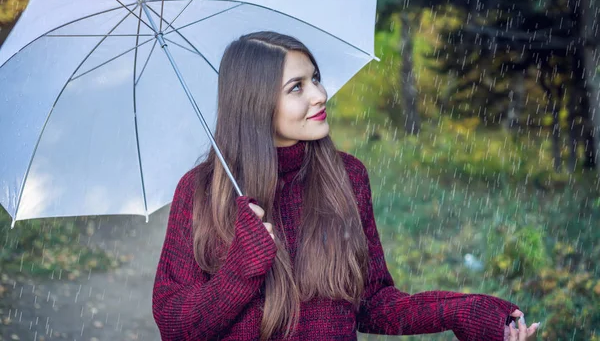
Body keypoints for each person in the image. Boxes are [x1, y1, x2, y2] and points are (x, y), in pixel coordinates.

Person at [152, 31, 540, 341]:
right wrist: (240, 269)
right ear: (255, 103)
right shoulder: (202, 192)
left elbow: (373, 303)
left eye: (315, 79)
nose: (320, 95)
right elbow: (176, 328)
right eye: (297, 87)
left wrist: (463, 310)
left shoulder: (347, 177)